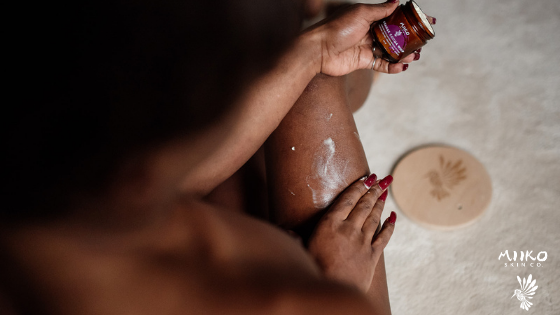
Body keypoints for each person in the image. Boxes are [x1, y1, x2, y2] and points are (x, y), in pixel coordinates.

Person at [1, 0, 432, 314]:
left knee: (309, 70)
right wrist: (337, 284)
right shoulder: (291, 301)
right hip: (305, 275)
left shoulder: (53, 190)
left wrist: (313, 49)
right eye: (222, 107)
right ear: (141, 172)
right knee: (306, 82)